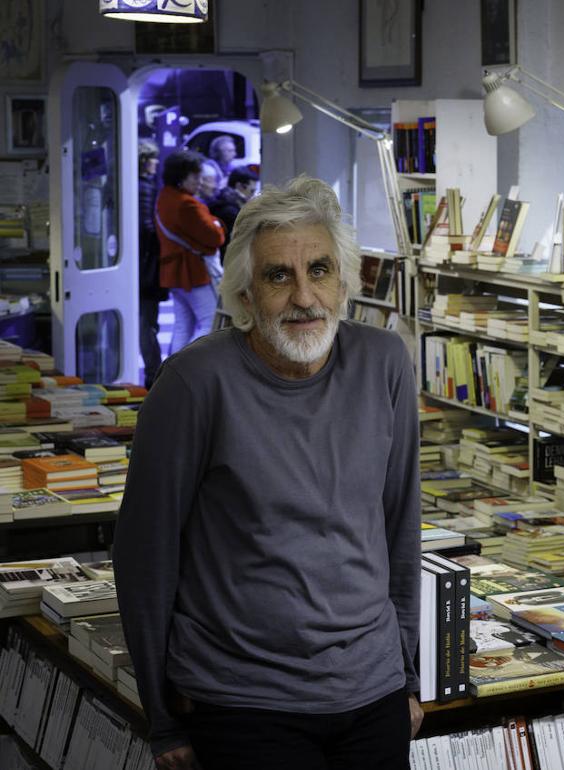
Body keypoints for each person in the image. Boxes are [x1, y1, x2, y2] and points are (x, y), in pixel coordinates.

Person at [114, 175, 424, 770]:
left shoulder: (384, 362)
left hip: (373, 691)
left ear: (345, 283)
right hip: (243, 700)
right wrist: (162, 718)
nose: (304, 296)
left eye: (320, 270)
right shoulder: (193, 383)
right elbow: (145, 555)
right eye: (279, 276)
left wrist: (406, 675)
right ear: (245, 295)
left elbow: (399, 526)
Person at [155, 150, 223, 354]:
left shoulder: (165, 197)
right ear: (181, 176)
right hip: (193, 272)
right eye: (195, 176)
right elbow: (216, 237)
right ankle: (188, 364)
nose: (200, 182)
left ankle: (174, 367)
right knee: (211, 322)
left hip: (174, 273)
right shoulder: (187, 204)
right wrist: (217, 223)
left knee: (182, 326)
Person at [137, 140, 166, 387]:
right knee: (147, 322)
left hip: (141, 263)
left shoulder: (137, 185)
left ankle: (153, 371)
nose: (156, 163)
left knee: (146, 321)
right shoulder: (145, 187)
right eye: (153, 158)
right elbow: (147, 226)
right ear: (144, 161)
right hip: (147, 265)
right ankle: (153, 373)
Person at [210, 167, 259, 263]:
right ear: (239, 186)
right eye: (252, 191)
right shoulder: (230, 210)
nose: (253, 196)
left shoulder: (223, 202)